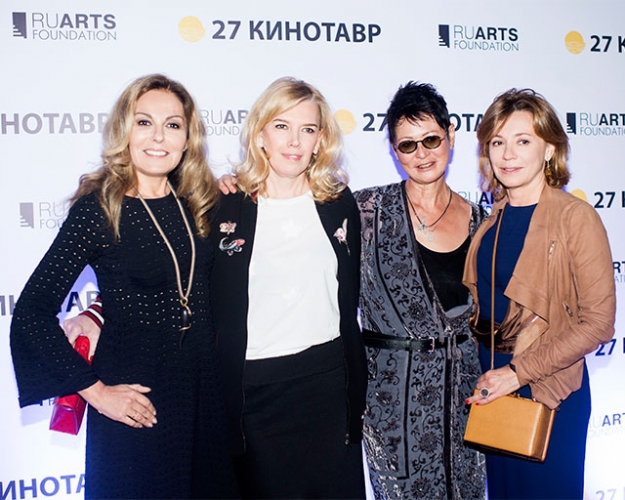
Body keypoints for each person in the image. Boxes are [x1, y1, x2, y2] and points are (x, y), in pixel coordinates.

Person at [10, 74, 238, 499]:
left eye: (172, 125)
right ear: (124, 132)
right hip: (136, 405)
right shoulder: (100, 209)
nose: (158, 137)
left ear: (188, 138)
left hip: (204, 396)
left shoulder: (201, 203)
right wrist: (97, 393)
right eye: (144, 122)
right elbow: (31, 312)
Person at [210, 76, 367, 499]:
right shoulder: (224, 205)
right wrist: (95, 315)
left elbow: (350, 295)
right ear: (260, 133)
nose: (294, 141)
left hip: (329, 388)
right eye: (281, 126)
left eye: (307, 129)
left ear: (320, 141)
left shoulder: (339, 203)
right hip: (255, 396)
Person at [464, 88, 616, 499]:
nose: (508, 154)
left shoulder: (575, 218)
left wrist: (516, 374)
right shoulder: (492, 220)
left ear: (549, 149)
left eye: (523, 141)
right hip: (493, 388)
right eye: (498, 142)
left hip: (548, 390)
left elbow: (599, 324)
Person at [355, 82, 487, 499]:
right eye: (408, 145)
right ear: (395, 151)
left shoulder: (482, 221)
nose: (422, 153)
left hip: (467, 396)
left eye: (431, 139)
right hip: (391, 402)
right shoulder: (365, 212)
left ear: (451, 135)